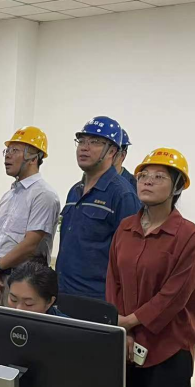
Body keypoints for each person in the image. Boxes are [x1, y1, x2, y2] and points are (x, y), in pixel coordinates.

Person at [106, 148, 195, 387]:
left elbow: (174, 295)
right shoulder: (125, 228)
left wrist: (129, 322)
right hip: (124, 342)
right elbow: (113, 279)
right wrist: (121, 327)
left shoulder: (188, 235)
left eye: (159, 176)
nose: (147, 181)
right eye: (143, 175)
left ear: (177, 187)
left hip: (168, 346)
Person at [56, 116, 141, 300]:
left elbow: (130, 258)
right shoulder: (75, 191)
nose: (84, 147)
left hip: (96, 299)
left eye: (94, 142)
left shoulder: (122, 194)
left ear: (112, 151)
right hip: (63, 292)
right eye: (81, 141)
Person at [0, 126, 60, 306]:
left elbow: (31, 244)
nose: (7, 156)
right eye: (7, 151)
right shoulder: (9, 195)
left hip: (25, 283)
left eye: (15, 150)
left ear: (34, 157)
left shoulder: (43, 195)